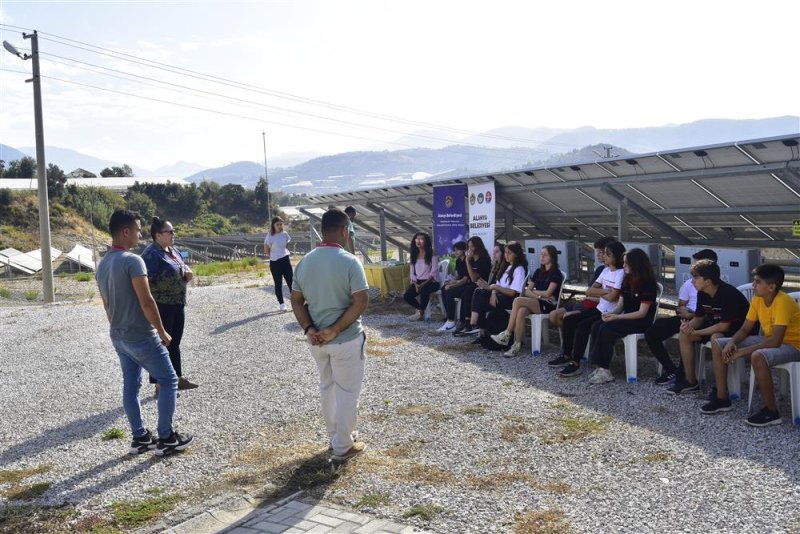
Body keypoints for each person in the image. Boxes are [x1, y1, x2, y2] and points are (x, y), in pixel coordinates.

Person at [95, 209, 192, 456]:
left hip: (118, 334)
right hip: (141, 333)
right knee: (169, 380)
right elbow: (147, 301)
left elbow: (107, 304)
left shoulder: (103, 263)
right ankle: (166, 437)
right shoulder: (132, 260)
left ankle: (140, 438)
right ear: (125, 232)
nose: (140, 234)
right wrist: (161, 331)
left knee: (131, 385)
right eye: (137, 230)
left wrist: (117, 328)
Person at [290, 208, 369, 461]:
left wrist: (310, 329)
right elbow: (360, 301)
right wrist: (334, 329)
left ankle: (335, 436)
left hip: (316, 341)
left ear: (322, 230)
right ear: (345, 230)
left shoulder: (305, 261)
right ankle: (343, 445)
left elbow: (296, 300)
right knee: (348, 392)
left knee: (328, 388)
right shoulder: (349, 261)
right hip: (346, 339)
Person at [701, 264, 800, 426]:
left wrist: (742, 352)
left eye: (757, 282)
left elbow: (775, 341)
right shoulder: (757, 299)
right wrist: (732, 342)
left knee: (758, 356)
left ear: (771, 287)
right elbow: (746, 328)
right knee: (719, 344)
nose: (753, 285)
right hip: (771, 340)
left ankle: (771, 412)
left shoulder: (783, 302)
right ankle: (722, 398)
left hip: (794, 346)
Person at [666, 259, 750, 395]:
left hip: (738, 332)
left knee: (716, 337)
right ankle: (690, 381)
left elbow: (724, 327)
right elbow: (699, 318)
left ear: (708, 281)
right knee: (684, 334)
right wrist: (688, 327)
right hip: (716, 327)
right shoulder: (702, 292)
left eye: (695, 277)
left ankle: (720, 391)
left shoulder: (728, 294)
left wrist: (696, 332)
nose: (692, 281)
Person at [583, 248, 659, 384]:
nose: (623, 266)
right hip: (627, 317)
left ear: (636, 265)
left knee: (607, 329)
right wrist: (611, 314)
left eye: (626, 263)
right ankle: (599, 366)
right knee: (597, 325)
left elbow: (642, 313)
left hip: (641, 321)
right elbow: (620, 306)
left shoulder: (648, 284)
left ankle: (605, 370)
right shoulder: (627, 281)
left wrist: (617, 318)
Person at [141, 217, 198, 396]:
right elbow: (144, 281)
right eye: (169, 231)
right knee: (162, 345)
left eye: (173, 231)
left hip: (177, 303)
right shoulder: (151, 254)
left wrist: (187, 273)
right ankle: (160, 384)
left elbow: (181, 266)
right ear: (158, 235)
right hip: (161, 306)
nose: (173, 234)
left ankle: (176, 377)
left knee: (174, 343)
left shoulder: (172, 250)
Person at [644, 249, 718, 386]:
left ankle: (684, 375)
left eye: (698, 265)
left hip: (705, 320)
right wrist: (682, 312)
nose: (694, 269)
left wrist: (692, 315)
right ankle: (671, 369)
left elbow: (713, 314)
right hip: (688, 317)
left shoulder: (717, 288)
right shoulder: (689, 284)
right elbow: (680, 307)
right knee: (651, 332)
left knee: (686, 332)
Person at [553, 241, 625, 377]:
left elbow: (613, 297)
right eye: (605, 253)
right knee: (569, 319)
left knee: (583, 326)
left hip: (609, 312)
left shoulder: (621, 273)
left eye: (608, 254)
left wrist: (603, 292)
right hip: (599, 308)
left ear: (616, 256)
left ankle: (576, 362)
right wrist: (606, 291)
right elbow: (589, 291)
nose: (604, 256)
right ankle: (566, 354)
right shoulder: (605, 271)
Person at [491, 245, 564, 357]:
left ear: (552, 257)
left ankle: (507, 333)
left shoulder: (556, 273)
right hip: (538, 301)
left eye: (545, 255)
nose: (542, 257)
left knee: (518, 300)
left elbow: (549, 293)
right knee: (521, 311)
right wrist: (539, 294)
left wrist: (536, 293)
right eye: (541, 254)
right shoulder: (538, 272)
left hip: (548, 305)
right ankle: (516, 345)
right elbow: (527, 291)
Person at [461, 241, 527, 344]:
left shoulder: (519, 270)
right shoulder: (508, 267)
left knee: (480, 295)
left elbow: (513, 293)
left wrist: (494, 288)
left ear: (517, 254)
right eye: (505, 252)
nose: (506, 255)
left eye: (509, 253)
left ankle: (474, 323)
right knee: (479, 291)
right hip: (499, 296)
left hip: (510, 300)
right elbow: (498, 285)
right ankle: (480, 330)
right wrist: (493, 292)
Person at [548, 236, 616, 330]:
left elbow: (610, 297)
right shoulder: (601, 270)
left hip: (597, 306)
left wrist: (597, 294)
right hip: (587, 302)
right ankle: (573, 336)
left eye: (600, 252)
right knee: (553, 315)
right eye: (597, 252)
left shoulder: (617, 273)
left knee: (568, 317)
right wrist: (600, 293)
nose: (598, 255)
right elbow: (589, 291)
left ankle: (574, 337)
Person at [448, 237, 493, 334]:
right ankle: (452, 320)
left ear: (478, 246)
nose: (470, 249)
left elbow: (473, 278)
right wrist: (453, 283)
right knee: (450, 290)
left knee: (467, 291)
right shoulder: (472, 259)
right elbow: (467, 277)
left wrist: (467, 261)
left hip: (481, 286)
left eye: (472, 246)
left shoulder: (483, 259)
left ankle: (466, 322)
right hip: (471, 284)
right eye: (469, 247)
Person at [403, 232, 440, 321]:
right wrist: (415, 284)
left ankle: (420, 313)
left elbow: (434, 271)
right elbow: (412, 272)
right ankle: (421, 309)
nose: (418, 241)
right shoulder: (414, 254)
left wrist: (423, 284)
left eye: (421, 239)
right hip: (418, 281)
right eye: (417, 239)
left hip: (431, 281)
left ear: (426, 241)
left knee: (424, 290)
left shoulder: (432, 253)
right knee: (407, 296)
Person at [437, 241, 468, 332]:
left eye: (457, 250)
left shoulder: (467, 260)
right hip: (460, 282)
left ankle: (451, 321)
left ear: (463, 250)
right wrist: (450, 282)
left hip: (466, 285)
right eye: (455, 250)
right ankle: (449, 317)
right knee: (444, 288)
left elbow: (465, 279)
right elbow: (458, 275)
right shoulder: (458, 260)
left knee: (449, 290)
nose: (455, 252)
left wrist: (453, 285)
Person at [263, 216, 293, 312]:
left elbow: (285, 245)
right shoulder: (269, 236)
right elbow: (266, 249)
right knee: (278, 283)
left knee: (291, 281)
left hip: (285, 259)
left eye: (281, 224)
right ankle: (282, 304)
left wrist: (282, 253)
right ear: (273, 225)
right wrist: (274, 256)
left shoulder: (285, 234)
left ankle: (295, 302)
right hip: (275, 262)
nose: (279, 226)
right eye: (277, 224)